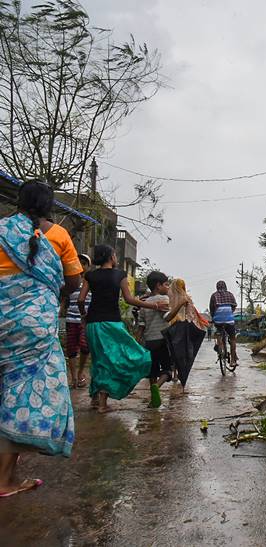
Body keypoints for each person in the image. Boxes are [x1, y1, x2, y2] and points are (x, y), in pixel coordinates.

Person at [0, 180, 81, 497]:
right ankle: (5, 480)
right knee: (19, 395)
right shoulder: (59, 235)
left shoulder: (3, 229)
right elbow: (74, 283)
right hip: (33, 327)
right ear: (50, 205)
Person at [78, 245, 168, 413]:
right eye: (114, 254)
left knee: (98, 359)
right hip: (111, 323)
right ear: (111, 257)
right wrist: (154, 305)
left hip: (92, 324)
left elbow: (81, 300)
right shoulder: (119, 274)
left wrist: (84, 316)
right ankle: (103, 404)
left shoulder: (90, 275)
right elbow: (129, 299)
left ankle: (95, 399)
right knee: (119, 359)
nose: (116, 256)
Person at [136, 271, 188, 408]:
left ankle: (154, 399)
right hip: (162, 340)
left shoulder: (144, 303)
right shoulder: (163, 300)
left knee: (152, 371)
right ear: (158, 286)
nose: (168, 288)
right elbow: (168, 317)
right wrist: (180, 303)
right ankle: (156, 388)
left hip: (149, 342)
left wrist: (137, 342)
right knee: (167, 370)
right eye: (166, 285)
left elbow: (141, 326)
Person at [164, 278, 208, 387]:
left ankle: (174, 373)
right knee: (181, 351)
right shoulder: (186, 298)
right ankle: (179, 373)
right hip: (182, 326)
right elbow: (191, 313)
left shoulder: (169, 296)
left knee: (172, 350)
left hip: (171, 326)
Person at [63, 253, 92, 388]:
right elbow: (64, 298)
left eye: (84, 263)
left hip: (85, 319)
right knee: (71, 349)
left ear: (88, 266)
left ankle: (80, 373)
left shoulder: (91, 281)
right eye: (78, 262)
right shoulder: (71, 280)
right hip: (71, 318)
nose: (81, 265)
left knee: (85, 346)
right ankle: (74, 377)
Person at [209, 280, 238, 366]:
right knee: (233, 339)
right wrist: (230, 313)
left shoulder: (214, 295)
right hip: (229, 320)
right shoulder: (230, 294)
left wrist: (213, 317)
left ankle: (219, 347)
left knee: (219, 333)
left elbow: (211, 309)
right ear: (225, 286)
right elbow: (234, 305)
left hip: (218, 320)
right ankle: (233, 361)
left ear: (217, 287)